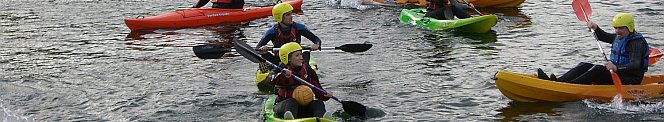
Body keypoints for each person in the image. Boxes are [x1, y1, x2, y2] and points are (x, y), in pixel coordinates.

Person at [538, 13, 649, 85]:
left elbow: (635, 64)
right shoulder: (620, 37)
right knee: (584, 65)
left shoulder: (636, 43)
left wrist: (616, 67)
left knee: (597, 69)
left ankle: (569, 86)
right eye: (615, 28)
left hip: (629, 80)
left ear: (629, 27)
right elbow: (604, 36)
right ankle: (558, 82)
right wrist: (595, 28)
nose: (617, 31)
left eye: (620, 28)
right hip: (617, 74)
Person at [272, 42, 333, 119]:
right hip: (283, 106)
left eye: (301, 54)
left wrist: (326, 95)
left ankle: (322, 119)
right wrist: (282, 74)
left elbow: (319, 93)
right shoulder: (280, 70)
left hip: (303, 107)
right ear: (288, 58)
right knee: (292, 102)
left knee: (318, 103)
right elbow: (269, 80)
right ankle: (290, 119)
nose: (301, 57)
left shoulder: (308, 70)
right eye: (297, 55)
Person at [255, 3, 322, 64]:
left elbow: (316, 39)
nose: (291, 17)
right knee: (264, 54)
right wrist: (263, 49)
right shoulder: (272, 32)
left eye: (291, 14)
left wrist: (316, 44)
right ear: (279, 17)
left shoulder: (299, 28)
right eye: (288, 15)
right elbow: (258, 48)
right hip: (279, 60)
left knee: (306, 53)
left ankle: (304, 69)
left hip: (296, 59)